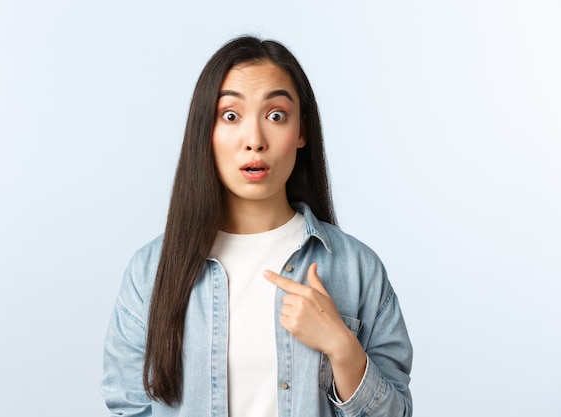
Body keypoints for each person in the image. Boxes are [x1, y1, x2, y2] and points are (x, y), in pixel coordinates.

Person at [102, 36, 412, 417]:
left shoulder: (357, 269)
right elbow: (128, 407)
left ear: (301, 132)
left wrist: (342, 348)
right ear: (206, 132)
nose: (254, 141)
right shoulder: (150, 272)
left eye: (276, 115)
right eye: (230, 116)